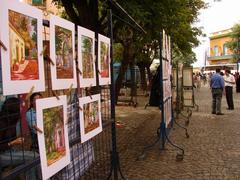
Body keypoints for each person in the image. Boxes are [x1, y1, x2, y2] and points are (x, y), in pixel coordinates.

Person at [0, 97, 39, 180]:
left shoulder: (13, 121)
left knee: (33, 158)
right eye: (20, 106)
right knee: (34, 156)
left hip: (10, 151)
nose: (22, 107)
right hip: (3, 155)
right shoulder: (2, 123)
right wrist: (12, 143)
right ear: (13, 108)